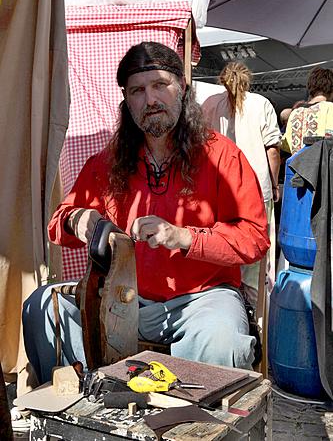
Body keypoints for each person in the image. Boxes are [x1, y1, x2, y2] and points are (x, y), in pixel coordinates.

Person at [23, 42, 269, 384]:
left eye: (160, 85)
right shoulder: (108, 163)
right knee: (42, 309)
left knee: (222, 340)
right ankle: (92, 407)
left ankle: (192, 430)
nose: (151, 100)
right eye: (138, 90)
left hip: (202, 300)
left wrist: (184, 236)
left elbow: (255, 238)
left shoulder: (222, 156)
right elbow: (57, 223)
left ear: (181, 88)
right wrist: (78, 220)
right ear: (127, 100)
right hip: (123, 298)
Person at [201, 61, 281, 306]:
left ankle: (229, 305)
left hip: (217, 189)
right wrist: (275, 184)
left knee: (221, 251)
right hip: (257, 188)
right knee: (256, 258)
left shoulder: (209, 104)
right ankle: (257, 318)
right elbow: (273, 151)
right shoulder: (261, 103)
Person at [280, 67, 333, 154]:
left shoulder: (295, 113)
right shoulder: (330, 108)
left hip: (297, 166)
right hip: (324, 166)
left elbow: (287, 144)